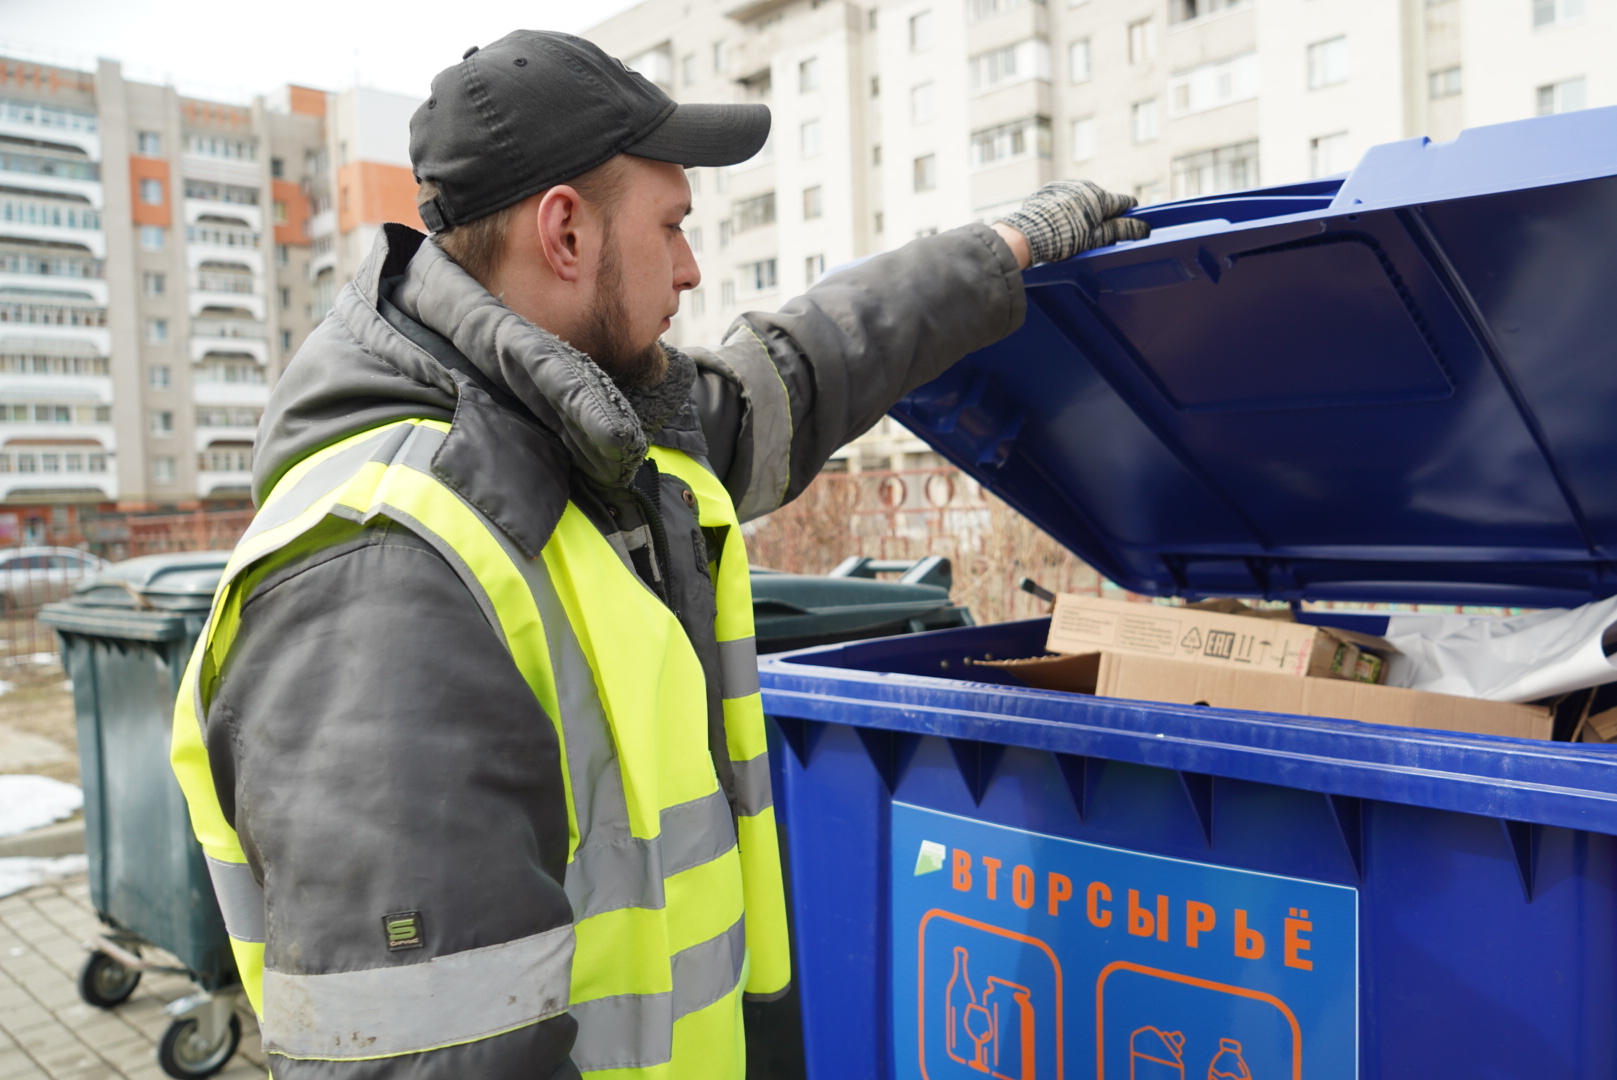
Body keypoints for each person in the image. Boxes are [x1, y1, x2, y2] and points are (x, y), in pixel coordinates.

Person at [169, 28, 1147, 1079]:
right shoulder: (382, 574)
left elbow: (783, 383)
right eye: (673, 226)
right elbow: (426, 1058)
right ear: (566, 234)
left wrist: (992, 253)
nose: (689, 267)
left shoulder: (573, 440)